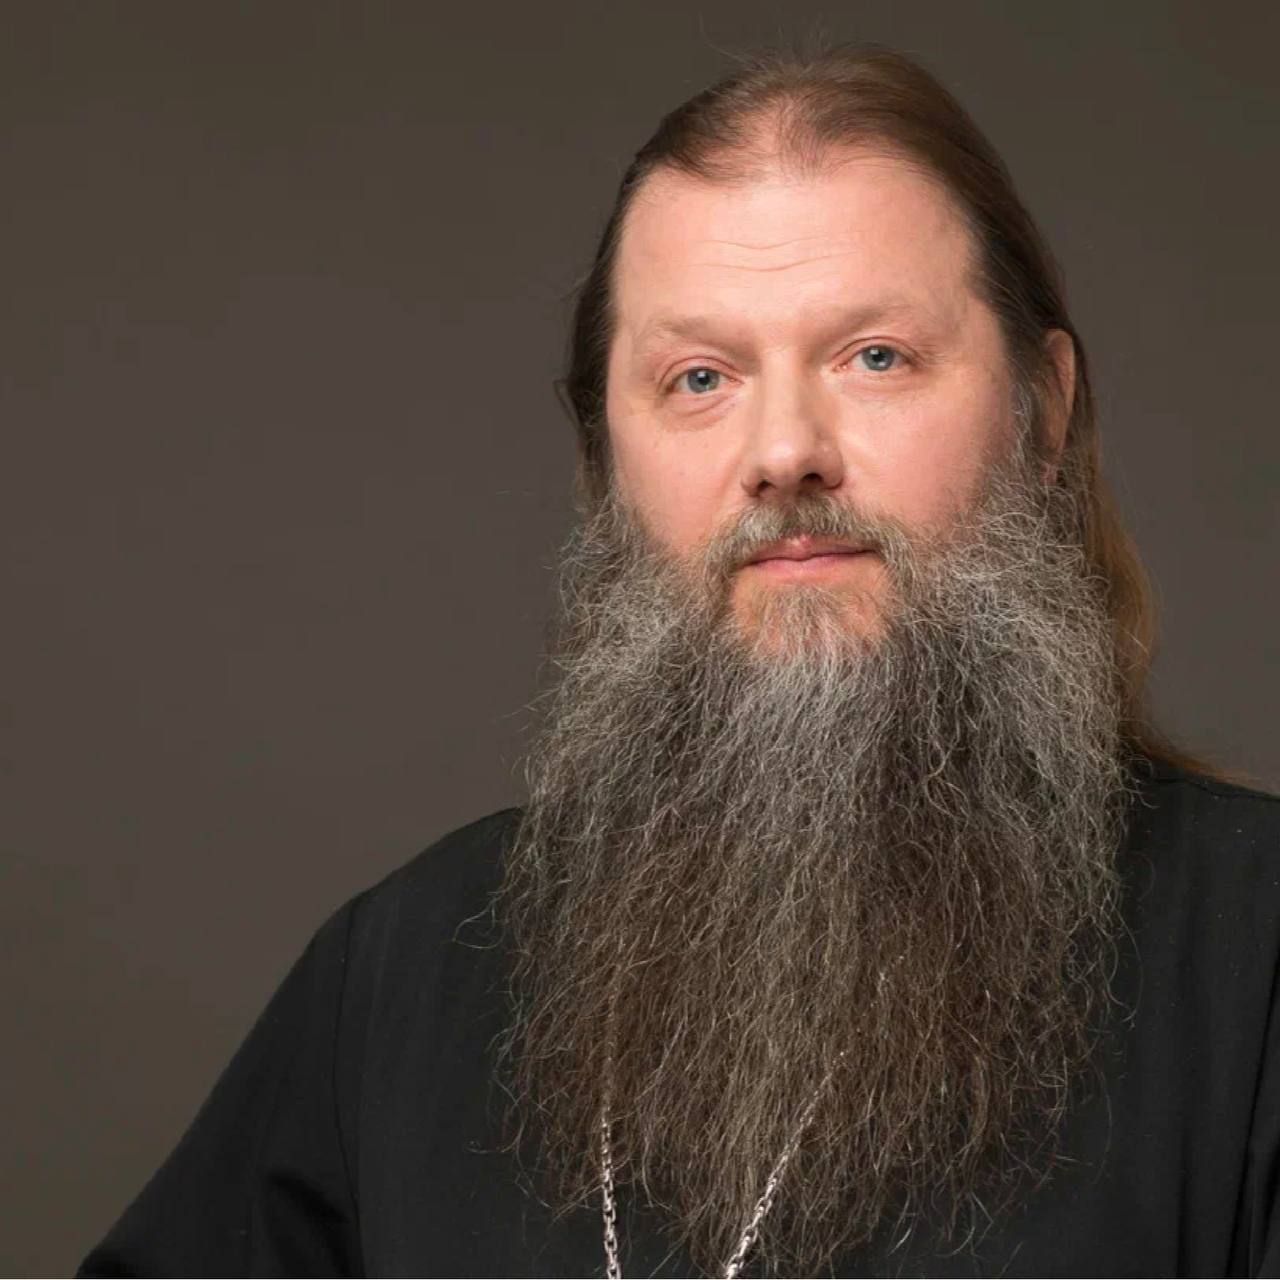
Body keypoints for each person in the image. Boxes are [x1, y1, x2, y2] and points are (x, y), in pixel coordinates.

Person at [78, 40, 1280, 1279]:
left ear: (1041, 411)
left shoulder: (1252, 960)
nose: (784, 451)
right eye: (699, 377)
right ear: (606, 459)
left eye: (874, 355)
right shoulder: (403, 969)